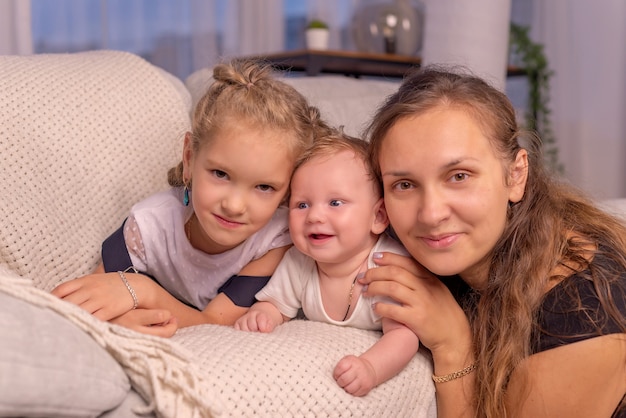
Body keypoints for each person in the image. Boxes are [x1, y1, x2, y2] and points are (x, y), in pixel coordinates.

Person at [359, 65, 626, 417]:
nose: (430, 214)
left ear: (516, 176)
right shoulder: (430, 255)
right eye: (404, 185)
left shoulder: (583, 310)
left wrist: (453, 347)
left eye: (458, 176)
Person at [52, 59, 328, 338]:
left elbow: (215, 322)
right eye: (220, 174)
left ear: (288, 191)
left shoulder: (275, 238)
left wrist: (141, 290)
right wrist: (118, 319)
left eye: (265, 187)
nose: (234, 206)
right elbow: (96, 294)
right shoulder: (148, 226)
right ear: (189, 158)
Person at [234, 132, 420, 397]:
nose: (315, 216)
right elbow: (277, 304)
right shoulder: (300, 261)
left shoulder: (387, 267)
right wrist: (262, 315)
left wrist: (370, 367)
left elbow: (404, 336)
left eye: (335, 203)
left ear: (378, 216)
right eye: (302, 204)